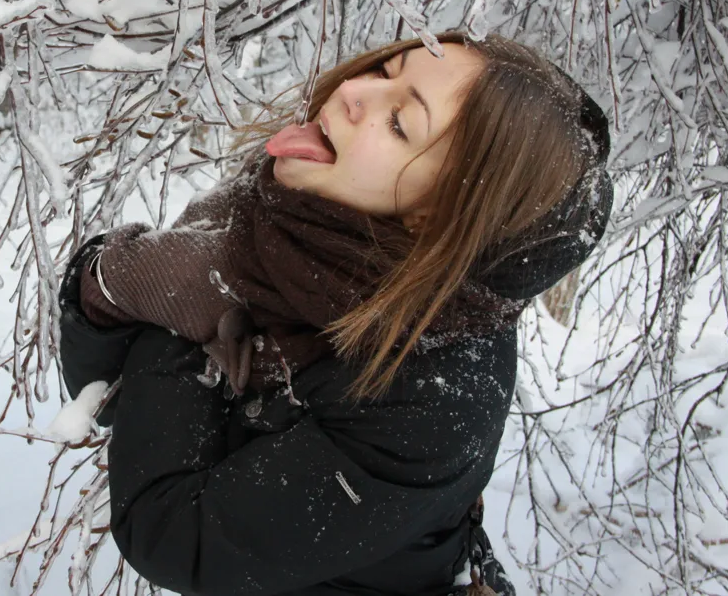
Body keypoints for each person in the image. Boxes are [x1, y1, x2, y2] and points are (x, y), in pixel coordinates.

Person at [58, 32, 613, 596]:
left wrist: (189, 312)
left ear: (436, 218)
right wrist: (123, 283)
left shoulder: (427, 401)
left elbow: (174, 533)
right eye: (386, 71)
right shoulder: (298, 212)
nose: (352, 91)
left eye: (399, 123)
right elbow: (114, 399)